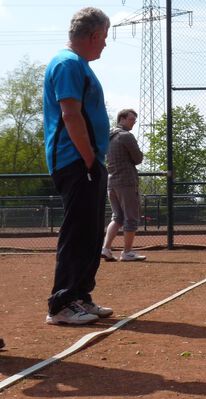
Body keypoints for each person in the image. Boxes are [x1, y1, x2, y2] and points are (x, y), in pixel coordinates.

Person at [43, 7, 113, 324]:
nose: (105, 44)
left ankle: (80, 296)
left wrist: (94, 160)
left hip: (88, 161)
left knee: (91, 232)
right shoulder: (68, 63)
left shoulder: (79, 65)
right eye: (105, 37)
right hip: (75, 160)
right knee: (78, 231)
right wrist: (88, 159)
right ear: (94, 35)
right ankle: (62, 304)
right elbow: (70, 114)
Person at [101, 108, 146, 262]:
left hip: (111, 182)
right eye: (131, 119)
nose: (134, 122)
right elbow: (138, 158)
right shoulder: (126, 136)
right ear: (122, 118)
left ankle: (106, 249)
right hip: (126, 182)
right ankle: (127, 252)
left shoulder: (108, 136)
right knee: (131, 218)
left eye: (134, 120)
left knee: (117, 217)